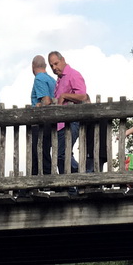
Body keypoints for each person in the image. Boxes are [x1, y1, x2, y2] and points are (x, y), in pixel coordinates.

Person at [48, 51, 88, 181]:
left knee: (62, 155)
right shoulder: (60, 79)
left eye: (56, 63)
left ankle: (82, 175)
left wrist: (64, 95)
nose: (54, 68)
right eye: (51, 66)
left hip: (71, 123)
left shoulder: (73, 75)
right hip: (60, 124)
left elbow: (82, 96)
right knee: (62, 155)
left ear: (63, 60)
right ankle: (71, 184)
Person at [30, 55, 56, 177]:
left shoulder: (39, 79)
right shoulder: (52, 80)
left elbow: (46, 100)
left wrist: (40, 106)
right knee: (45, 151)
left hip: (42, 122)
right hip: (52, 121)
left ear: (32, 66)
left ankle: (45, 178)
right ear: (45, 66)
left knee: (39, 151)